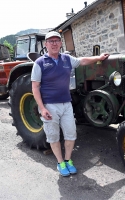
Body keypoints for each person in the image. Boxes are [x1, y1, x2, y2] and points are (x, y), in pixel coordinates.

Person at [31, 31, 109, 177]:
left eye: (57, 40)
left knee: (71, 134)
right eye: (51, 41)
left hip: (66, 104)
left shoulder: (67, 59)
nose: (54, 43)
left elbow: (82, 61)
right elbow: (35, 87)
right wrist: (42, 108)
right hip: (50, 105)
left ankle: (68, 160)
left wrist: (98, 58)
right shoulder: (40, 63)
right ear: (46, 44)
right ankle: (60, 162)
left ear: (61, 43)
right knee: (53, 136)